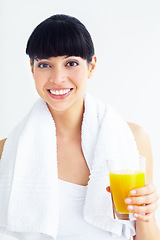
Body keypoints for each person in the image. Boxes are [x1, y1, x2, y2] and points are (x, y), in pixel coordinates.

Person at [0, 14, 159, 240]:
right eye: (45, 64)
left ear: (91, 65)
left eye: (71, 63)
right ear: (32, 68)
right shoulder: (8, 151)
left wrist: (147, 215)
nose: (58, 78)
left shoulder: (132, 139)